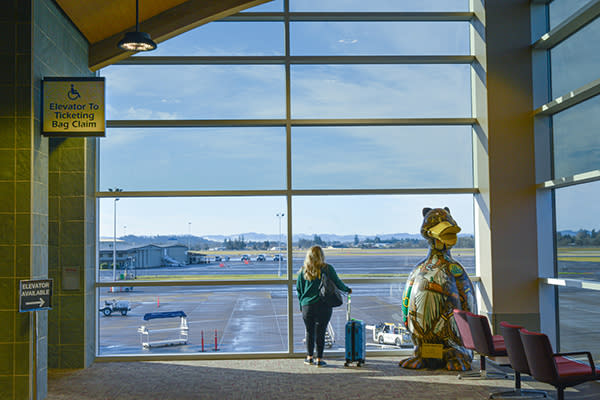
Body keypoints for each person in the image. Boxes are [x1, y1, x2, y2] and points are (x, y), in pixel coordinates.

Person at [296, 245, 351, 367]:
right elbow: (338, 283)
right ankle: (319, 359)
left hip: (307, 306)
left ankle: (309, 357)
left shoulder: (302, 271)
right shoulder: (327, 269)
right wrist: (347, 290)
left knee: (309, 332)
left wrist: (301, 305)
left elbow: (299, 290)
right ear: (321, 255)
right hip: (323, 306)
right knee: (321, 332)